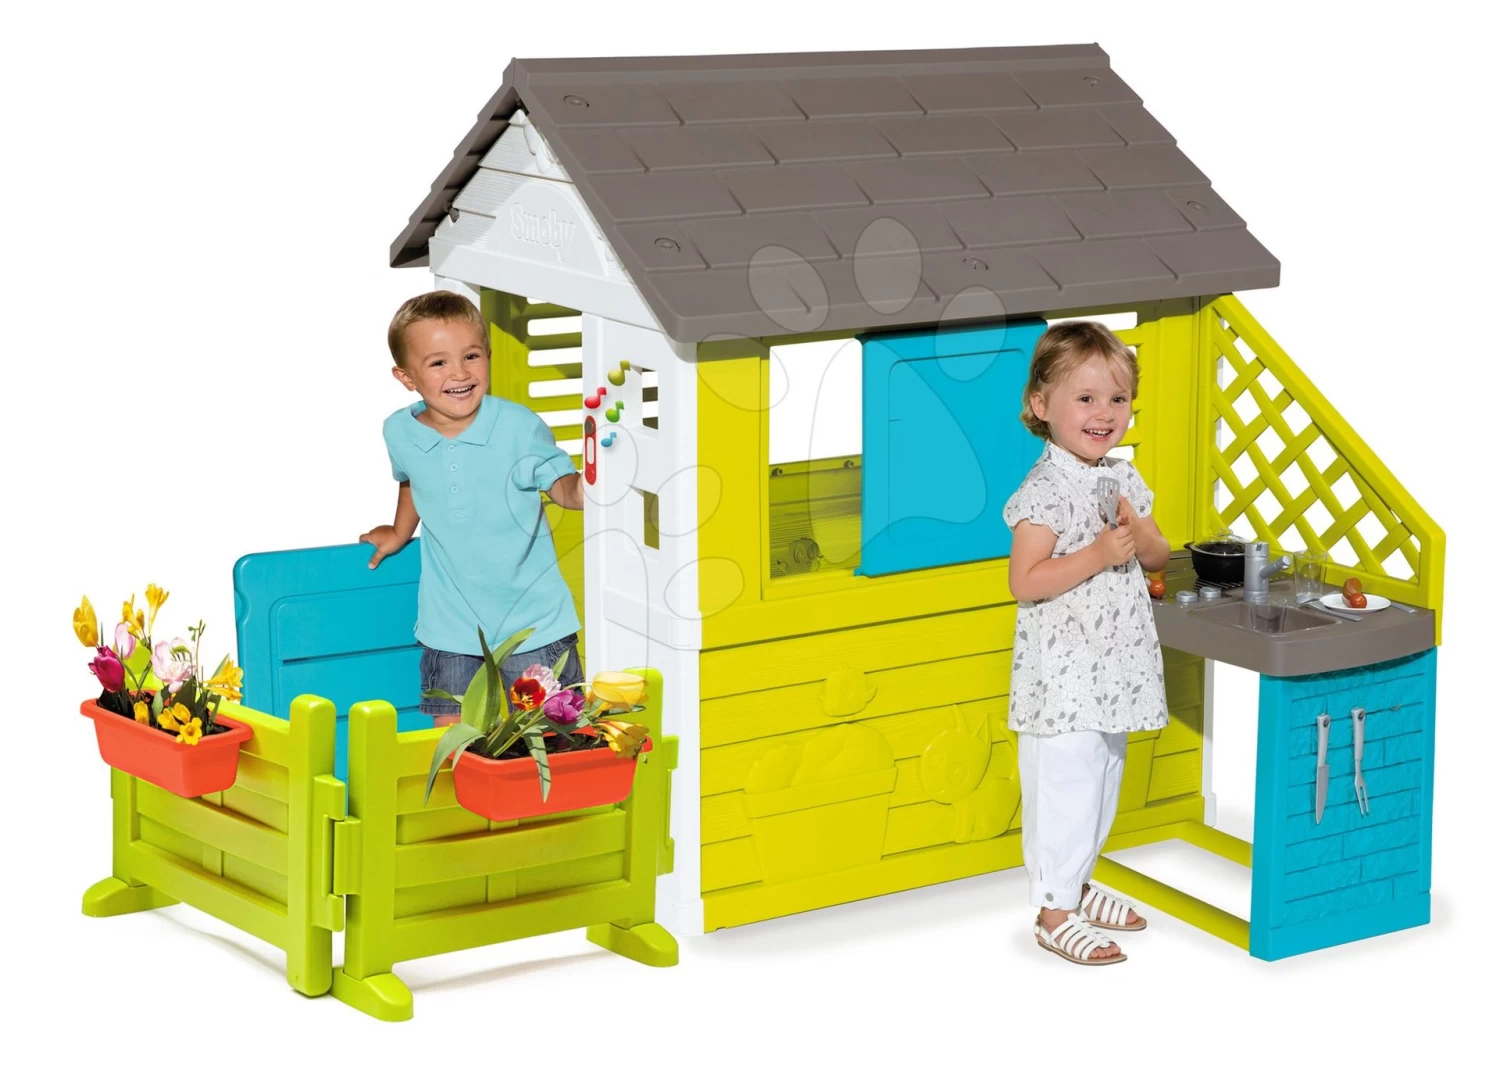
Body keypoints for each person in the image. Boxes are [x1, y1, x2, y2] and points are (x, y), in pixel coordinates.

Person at [1003, 321, 1171, 966]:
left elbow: (1157, 554)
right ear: (1041, 405)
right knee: (1065, 786)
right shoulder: (1044, 491)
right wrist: (1099, 553)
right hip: (1065, 674)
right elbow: (1026, 580)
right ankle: (1053, 912)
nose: (1104, 414)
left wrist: (1136, 529)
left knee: (1102, 780)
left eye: (1117, 399)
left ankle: (1076, 882)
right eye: (1086, 398)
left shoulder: (1120, 476)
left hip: (1116, 667)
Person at [361, 291, 585, 723]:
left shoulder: (519, 427)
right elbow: (412, 479)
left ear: (488, 356)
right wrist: (399, 531)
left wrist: (586, 487)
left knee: (552, 737)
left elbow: (563, 489)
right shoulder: (399, 431)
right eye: (438, 363)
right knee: (453, 740)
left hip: (533, 624)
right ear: (406, 377)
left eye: (471, 356)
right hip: (451, 628)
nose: (460, 373)